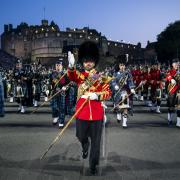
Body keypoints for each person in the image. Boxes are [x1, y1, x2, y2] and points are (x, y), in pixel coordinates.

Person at [67, 41, 112, 175]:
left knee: (96, 143)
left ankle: (93, 165)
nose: (88, 63)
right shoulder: (80, 76)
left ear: (95, 62)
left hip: (97, 114)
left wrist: (96, 96)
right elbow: (72, 75)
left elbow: (108, 93)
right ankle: (85, 145)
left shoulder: (101, 78)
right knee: (80, 135)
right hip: (82, 113)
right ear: (82, 62)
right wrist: (71, 66)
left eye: (91, 60)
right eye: (86, 60)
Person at [110, 55, 135, 128]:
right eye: (121, 65)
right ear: (119, 66)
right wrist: (115, 86)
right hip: (118, 92)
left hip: (126, 91)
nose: (122, 67)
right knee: (119, 107)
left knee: (126, 107)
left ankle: (124, 123)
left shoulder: (128, 73)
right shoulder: (115, 73)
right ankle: (118, 114)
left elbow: (130, 81)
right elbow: (113, 81)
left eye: (123, 65)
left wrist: (132, 88)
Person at [50, 59, 74, 128]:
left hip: (62, 93)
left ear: (61, 66)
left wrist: (65, 87)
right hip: (54, 92)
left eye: (59, 65)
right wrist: (48, 90)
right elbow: (50, 83)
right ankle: (55, 116)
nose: (58, 66)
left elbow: (69, 83)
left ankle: (61, 121)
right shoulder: (52, 74)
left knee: (62, 107)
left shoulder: (65, 74)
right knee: (54, 106)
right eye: (57, 65)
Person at [166, 58, 180, 127]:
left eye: (178, 63)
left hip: (178, 91)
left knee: (179, 106)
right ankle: (169, 119)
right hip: (171, 90)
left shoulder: (179, 72)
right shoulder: (170, 71)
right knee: (171, 106)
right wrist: (171, 79)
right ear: (172, 65)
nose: (177, 65)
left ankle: (178, 122)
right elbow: (167, 76)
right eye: (176, 63)